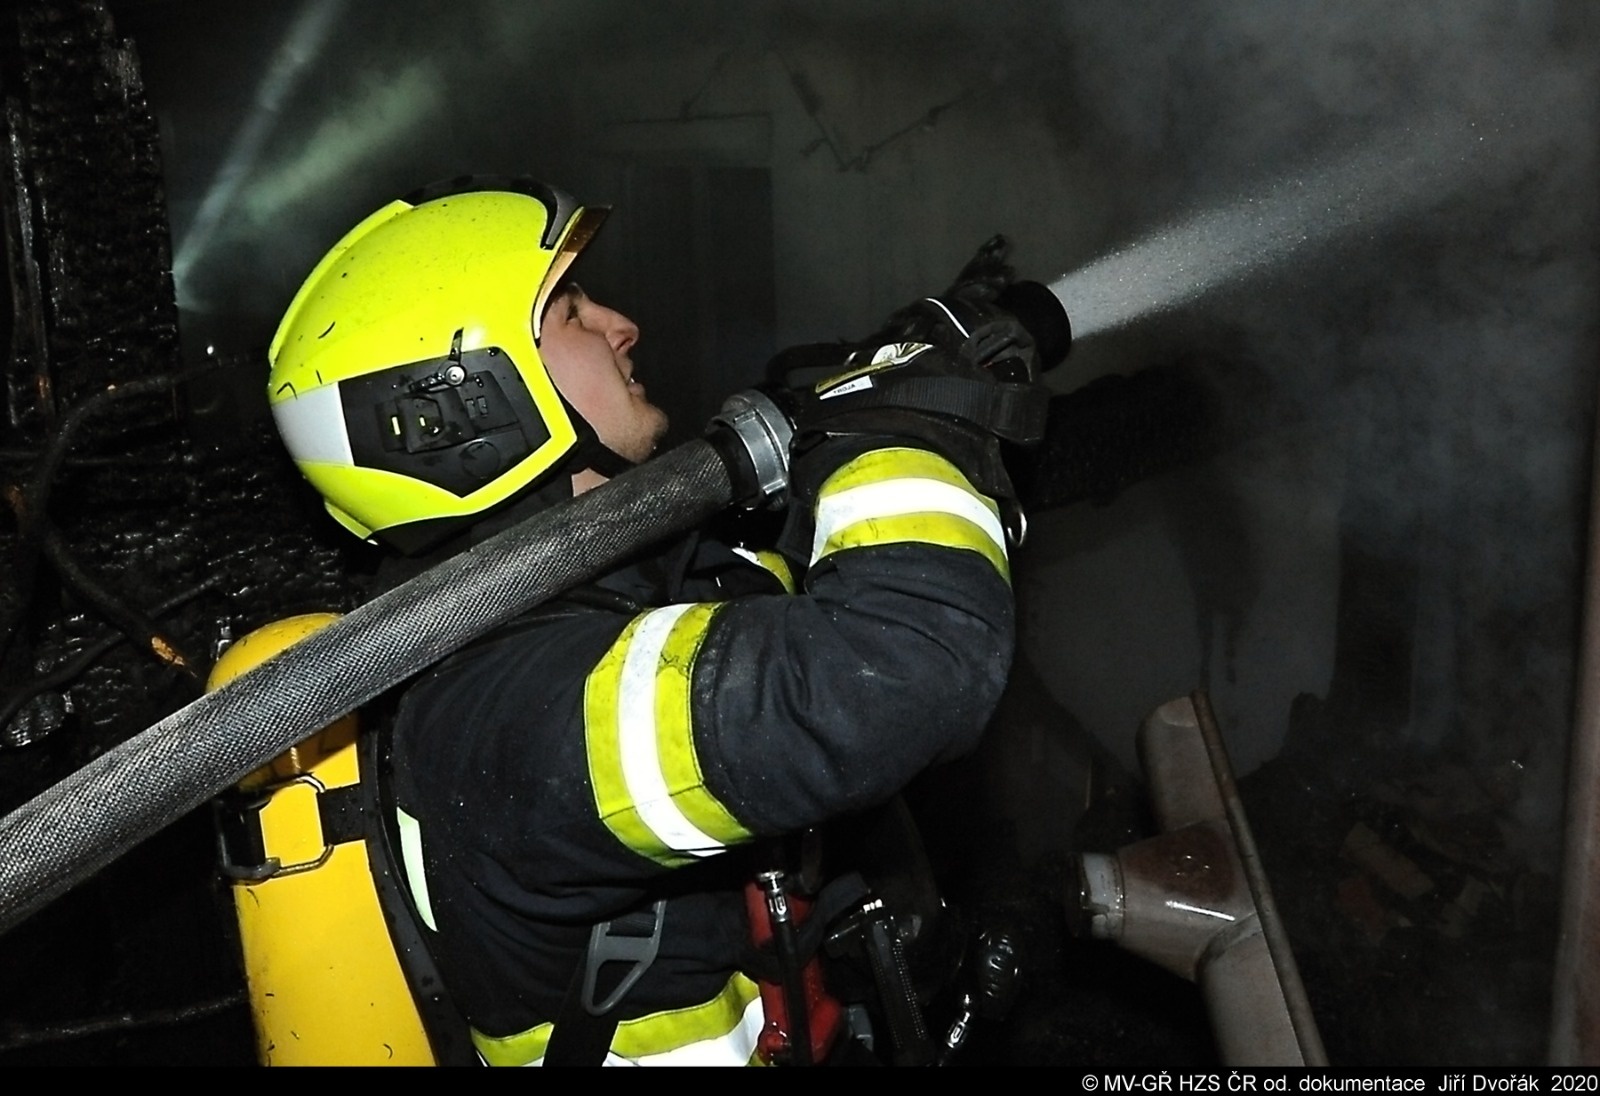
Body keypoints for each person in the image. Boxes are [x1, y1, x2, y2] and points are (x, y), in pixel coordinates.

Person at [266, 177, 1019, 1065]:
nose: (621, 325)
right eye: (571, 312)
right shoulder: (506, 705)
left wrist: (880, 394)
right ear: (464, 405)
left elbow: (774, 602)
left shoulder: (583, 594)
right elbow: (901, 672)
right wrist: (897, 433)